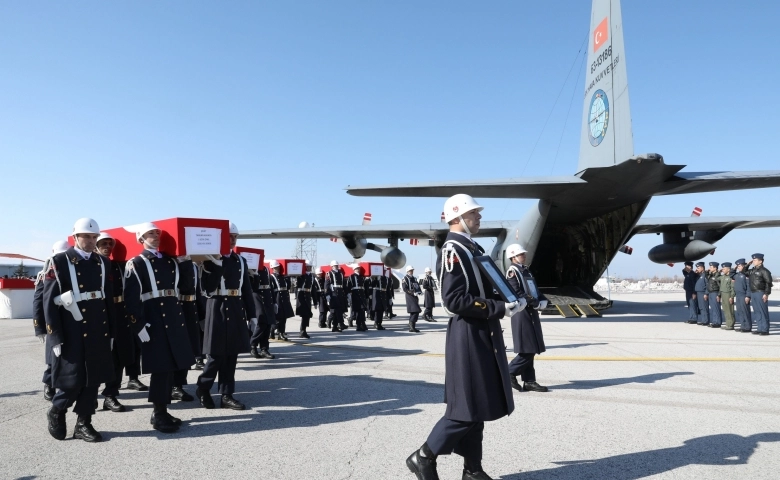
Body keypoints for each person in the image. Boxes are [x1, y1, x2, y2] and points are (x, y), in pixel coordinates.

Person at [406, 194, 523, 480]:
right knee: (467, 406)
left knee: (479, 403)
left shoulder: (472, 246)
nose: (479, 218)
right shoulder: (453, 250)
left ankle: (472, 470)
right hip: (469, 332)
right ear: (457, 218)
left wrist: (510, 298)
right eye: (474, 214)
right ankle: (424, 456)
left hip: (483, 329)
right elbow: (453, 300)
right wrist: (498, 307)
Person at [43, 218, 115, 442]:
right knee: (72, 380)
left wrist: (111, 331)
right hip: (72, 329)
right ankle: (57, 410)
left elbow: (107, 299)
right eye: (87, 237)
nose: (92, 241)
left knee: (93, 379)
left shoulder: (102, 262)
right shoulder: (59, 261)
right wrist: (54, 335)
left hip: (97, 328)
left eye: (94, 237)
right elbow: (48, 301)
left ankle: (84, 423)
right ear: (75, 237)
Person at [124, 222, 195, 432]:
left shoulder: (172, 262)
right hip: (153, 318)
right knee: (160, 368)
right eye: (150, 234)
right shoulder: (135, 263)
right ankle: (158, 412)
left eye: (157, 233)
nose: (155, 236)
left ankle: (163, 410)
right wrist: (138, 325)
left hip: (173, 316)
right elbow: (131, 298)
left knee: (171, 366)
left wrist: (185, 262)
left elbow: (187, 287)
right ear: (141, 239)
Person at [195, 222, 256, 410]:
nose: (232, 240)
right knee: (215, 355)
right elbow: (206, 288)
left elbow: (246, 289)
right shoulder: (209, 260)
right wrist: (217, 264)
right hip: (217, 305)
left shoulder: (240, 260)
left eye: (234, 237)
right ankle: (203, 388)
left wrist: (252, 315)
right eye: (229, 236)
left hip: (236, 306)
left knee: (232, 355)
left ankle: (227, 394)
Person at [94, 232, 135, 412]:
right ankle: (90, 395)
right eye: (103, 243)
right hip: (99, 313)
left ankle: (110, 395)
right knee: (97, 357)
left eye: (110, 244)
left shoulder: (119, 266)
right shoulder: (91, 265)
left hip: (120, 312)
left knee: (119, 356)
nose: (107, 247)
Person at [504, 244, 548, 393]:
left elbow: (534, 289)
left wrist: (542, 299)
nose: (524, 255)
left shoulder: (525, 270)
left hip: (531, 311)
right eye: (521, 254)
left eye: (523, 253)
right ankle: (509, 372)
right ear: (513, 256)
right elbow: (516, 291)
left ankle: (529, 381)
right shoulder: (513, 272)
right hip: (522, 311)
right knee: (528, 348)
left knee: (531, 347)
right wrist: (534, 302)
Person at [34, 240, 70, 402]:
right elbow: (39, 301)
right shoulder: (46, 273)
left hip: (70, 318)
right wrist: (39, 326)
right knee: (53, 358)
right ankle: (48, 384)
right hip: (53, 320)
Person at [172, 254, 202, 402]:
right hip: (174, 307)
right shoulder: (170, 263)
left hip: (190, 308)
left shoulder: (193, 266)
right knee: (175, 348)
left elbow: (197, 291)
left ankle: (179, 384)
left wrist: (202, 315)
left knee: (188, 348)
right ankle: (172, 385)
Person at [249, 264, 276, 359]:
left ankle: (264, 348)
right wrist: (254, 274)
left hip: (267, 296)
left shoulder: (265, 269)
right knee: (261, 322)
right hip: (257, 296)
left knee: (268, 323)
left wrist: (274, 301)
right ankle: (253, 345)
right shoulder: (251, 268)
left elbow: (270, 285)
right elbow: (253, 287)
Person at [269, 260, 294, 341]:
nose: (277, 269)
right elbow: (271, 289)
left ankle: (281, 333)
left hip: (284, 297)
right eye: (275, 267)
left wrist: (288, 277)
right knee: (278, 317)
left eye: (278, 267)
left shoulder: (283, 277)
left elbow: (288, 287)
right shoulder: (271, 277)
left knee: (284, 317)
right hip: (277, 297)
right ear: (272, 268)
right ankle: (272, 330)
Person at [748, 253, 772, 336]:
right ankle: (760, 328)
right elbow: (744, 272)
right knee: (757, 311)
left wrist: (766, 294)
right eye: (753, 260)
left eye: (755, 260)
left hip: (760, 292)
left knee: (762, 311)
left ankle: (765, 329)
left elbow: (768, 283)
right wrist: (748, 264)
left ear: (760, 261)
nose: (753, 261)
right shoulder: (752, 270)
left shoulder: (764, 271)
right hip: (753, 292)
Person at [325, 260, 348, 332]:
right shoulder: (329, 273)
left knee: (337, 310)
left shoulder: (341, 273)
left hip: (340, 293)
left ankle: (334, 326)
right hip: (333, 293)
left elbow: (344, 284)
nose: (336, 267)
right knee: (338, 309)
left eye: (336, 265)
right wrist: (327, 294)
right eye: (334, 266)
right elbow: (327, 285)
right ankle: (341, 323)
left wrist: (347, 293)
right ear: (331, 266)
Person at [347, 265, 370, 331]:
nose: (358, 269)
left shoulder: (362, 277)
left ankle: (363, 323)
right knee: (357, 311)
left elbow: (365, 287)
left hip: (362, 294)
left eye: (358, 268)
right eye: (357, 268)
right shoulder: (351, 277)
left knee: (362, 311)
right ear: (354, 269)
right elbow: (349, 286)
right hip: (355, 295)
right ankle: (358, 325)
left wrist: (366, 296)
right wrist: (349, 295)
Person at [296, 261, 315, 338]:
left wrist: (315, 301)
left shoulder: (312, 276)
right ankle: (302, 331)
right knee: (304, 314)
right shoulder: (301, 275)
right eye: (308, 266)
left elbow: (313, 288)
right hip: (301, 296)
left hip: (308, 296)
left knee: (307, 315)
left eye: (310, 266)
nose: (309, 268)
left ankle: (303, 330)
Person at [733, 259, 753, 333]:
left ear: (744, 266)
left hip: (743, 295)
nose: (738, 267)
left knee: (745, 311)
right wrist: (734, 268)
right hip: (738, 295)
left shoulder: (746, 275)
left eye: (740, 266)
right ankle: (743, 326)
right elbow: (731, 274)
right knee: (740, 311)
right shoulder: (737, 275)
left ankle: (747, 327)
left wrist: (748, 296)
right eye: (738, 266)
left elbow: (749, 286)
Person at [402, 265, 422, 333]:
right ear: (407, 271)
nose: (412, 271)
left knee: (414, 311)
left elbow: (417, 286)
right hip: (409, 296)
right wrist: (412, 293)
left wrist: (419, 292)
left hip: (415, 296)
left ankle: (412, 326)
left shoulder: (414, 278)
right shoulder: (405, 278)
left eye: (412, 270)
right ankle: (411, 325)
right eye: (410, 270)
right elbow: (405, 288)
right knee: (415, 310)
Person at [718, 263, 736, 330]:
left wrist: (732, 296)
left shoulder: (731, 277)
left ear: (728, 269)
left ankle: (731, 324)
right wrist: (718, 272)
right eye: (722, 268)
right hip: (723, 294)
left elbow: (732, 287)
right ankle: (727, 323)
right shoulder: (722, 277)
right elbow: (716, 279)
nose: (722, 270)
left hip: (728, 294)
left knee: (729, 310)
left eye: (724, 268)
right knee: (725, 309)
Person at [705, 262, 723, 328]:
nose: (709, 268)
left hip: (715, 293)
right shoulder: (711, 275)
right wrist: (707, 272)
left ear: (715, 268)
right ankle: (714, 321)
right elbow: (706, 277)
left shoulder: (717, 275)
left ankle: (718, 322)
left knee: (716, 308)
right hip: (710, 293)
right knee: (712, 308)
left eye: (711, 267)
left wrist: (719, 295)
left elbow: (720, 286)